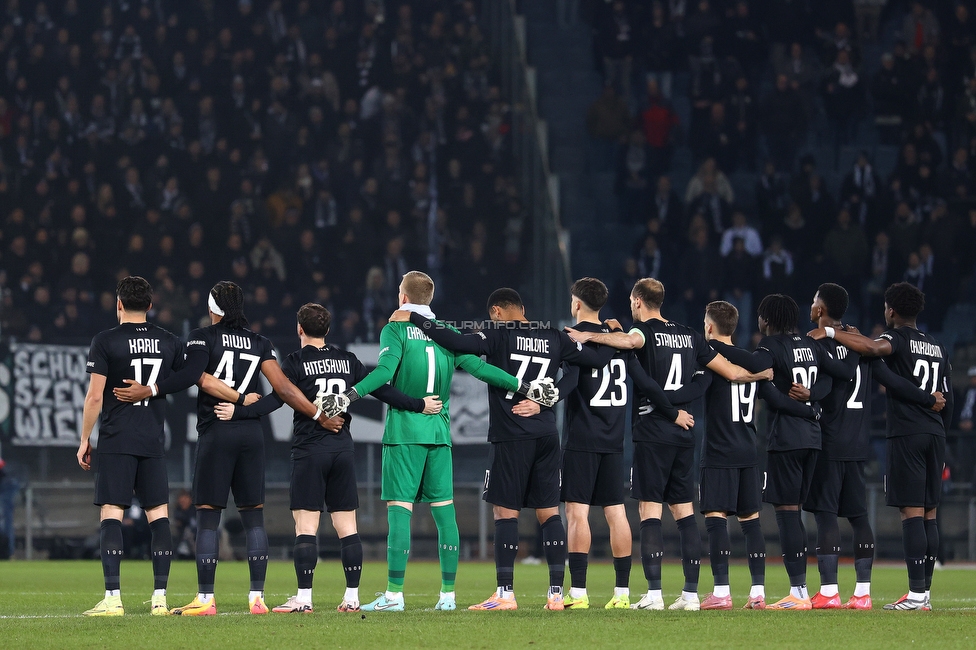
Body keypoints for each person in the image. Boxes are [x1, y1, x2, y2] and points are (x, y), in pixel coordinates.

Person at [320, 272, 556, 612]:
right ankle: (448, 596)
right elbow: (481, 370)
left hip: (404, 432)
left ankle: (394, 595)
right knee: (445, 513)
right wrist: (525, 387)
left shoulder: (395, 329)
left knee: (400, 511)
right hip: (439, 434)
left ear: (403, 297)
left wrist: (347, 396)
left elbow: (384, 373)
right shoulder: (446, 332)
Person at [115, 281, 338, 616]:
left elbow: (195, 376)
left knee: (207, 517)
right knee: (254, 517)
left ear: (212, 308)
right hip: (251, 436)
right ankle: (257, 598)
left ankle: (206, 598)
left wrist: (151, 390)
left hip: (217, 431)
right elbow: (284, 390)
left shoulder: (202, 337)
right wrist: (318, 414)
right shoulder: (260, 342)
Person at [385, 286, 615, 611]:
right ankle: (555, 594)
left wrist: (415, 318)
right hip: (547, 433)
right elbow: (590, 364)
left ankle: (505, 594)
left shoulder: (497, 333)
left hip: (511, 435)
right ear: (522, 309)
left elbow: (455, 341)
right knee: (549, 513)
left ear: (496, 312)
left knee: (505, 513)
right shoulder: (553, 336)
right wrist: (607, 335)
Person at [214, 302, 442, 614]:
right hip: (342, 450)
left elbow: (276, 401)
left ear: (299, 328)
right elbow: (382, 390)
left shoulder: (295, 362)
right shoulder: (347, 360)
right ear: (328, 329)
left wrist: (238, 411)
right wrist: (418, 404)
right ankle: (352, 597)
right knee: (347, 527)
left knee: (306, 526)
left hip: (310, 450)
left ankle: (304, 598)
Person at [565, 278, 771, 611]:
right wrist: (760, 376)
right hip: (684, 435)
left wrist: (591, 335)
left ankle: (655, 595)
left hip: (652, 431)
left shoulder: (643, 331)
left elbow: (629, 342)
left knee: (650, 511)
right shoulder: (690, 335)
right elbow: (730, 373)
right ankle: (690, 595)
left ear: (637, 301)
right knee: (684, 512)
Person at [75, 276, 237, 616]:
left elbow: (94, 397)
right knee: (158, 516)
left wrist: (85, 439)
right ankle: (160, 598)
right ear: (150, 305)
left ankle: (113, 598)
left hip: (117, 437)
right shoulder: (169, 341)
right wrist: (238, 397)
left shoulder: (105, 341)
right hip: (152, 439)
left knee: (112, 514)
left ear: (119, 304)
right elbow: (197, 378)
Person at [809, 283, 952, 610]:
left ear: (892, 311)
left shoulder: (896, 338)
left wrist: (831, 333)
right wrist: (940, 429)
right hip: (936, 433)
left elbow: (875, 352)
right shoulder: (937, 346)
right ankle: (924, 594)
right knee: (930, 514)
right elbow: (949, 396)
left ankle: (916, 595)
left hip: (907, 433)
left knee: (911, 512)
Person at [557, 278, 694, 610]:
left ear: (577, 304)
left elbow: (571, 380)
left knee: (577, 512)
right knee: (616, 512)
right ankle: (621, 593)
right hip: (614, 438)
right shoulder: (619, 340)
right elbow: (642, 379)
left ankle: (578, 593)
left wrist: (544, 399)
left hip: (582, 437)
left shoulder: (573, 338)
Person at [697, 301, 784, 610]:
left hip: (719, 449)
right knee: (751, 522)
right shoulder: (753, 360)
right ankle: (758, 593)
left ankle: (721, 592)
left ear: (710, 326)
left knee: (715, 519)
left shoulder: (709, 356)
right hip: (747, 449)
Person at [751, 293, 833, 610]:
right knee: (794, 513)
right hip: (813, 439)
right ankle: (801, 589)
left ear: (767, 319)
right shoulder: (811, 345)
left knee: (786, 514)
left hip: (786, 437)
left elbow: (769, 395)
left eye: (761, 316)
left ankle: (798, 593)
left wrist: (805, 408)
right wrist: (813, 399)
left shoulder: (770, 346)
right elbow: (831, 377)